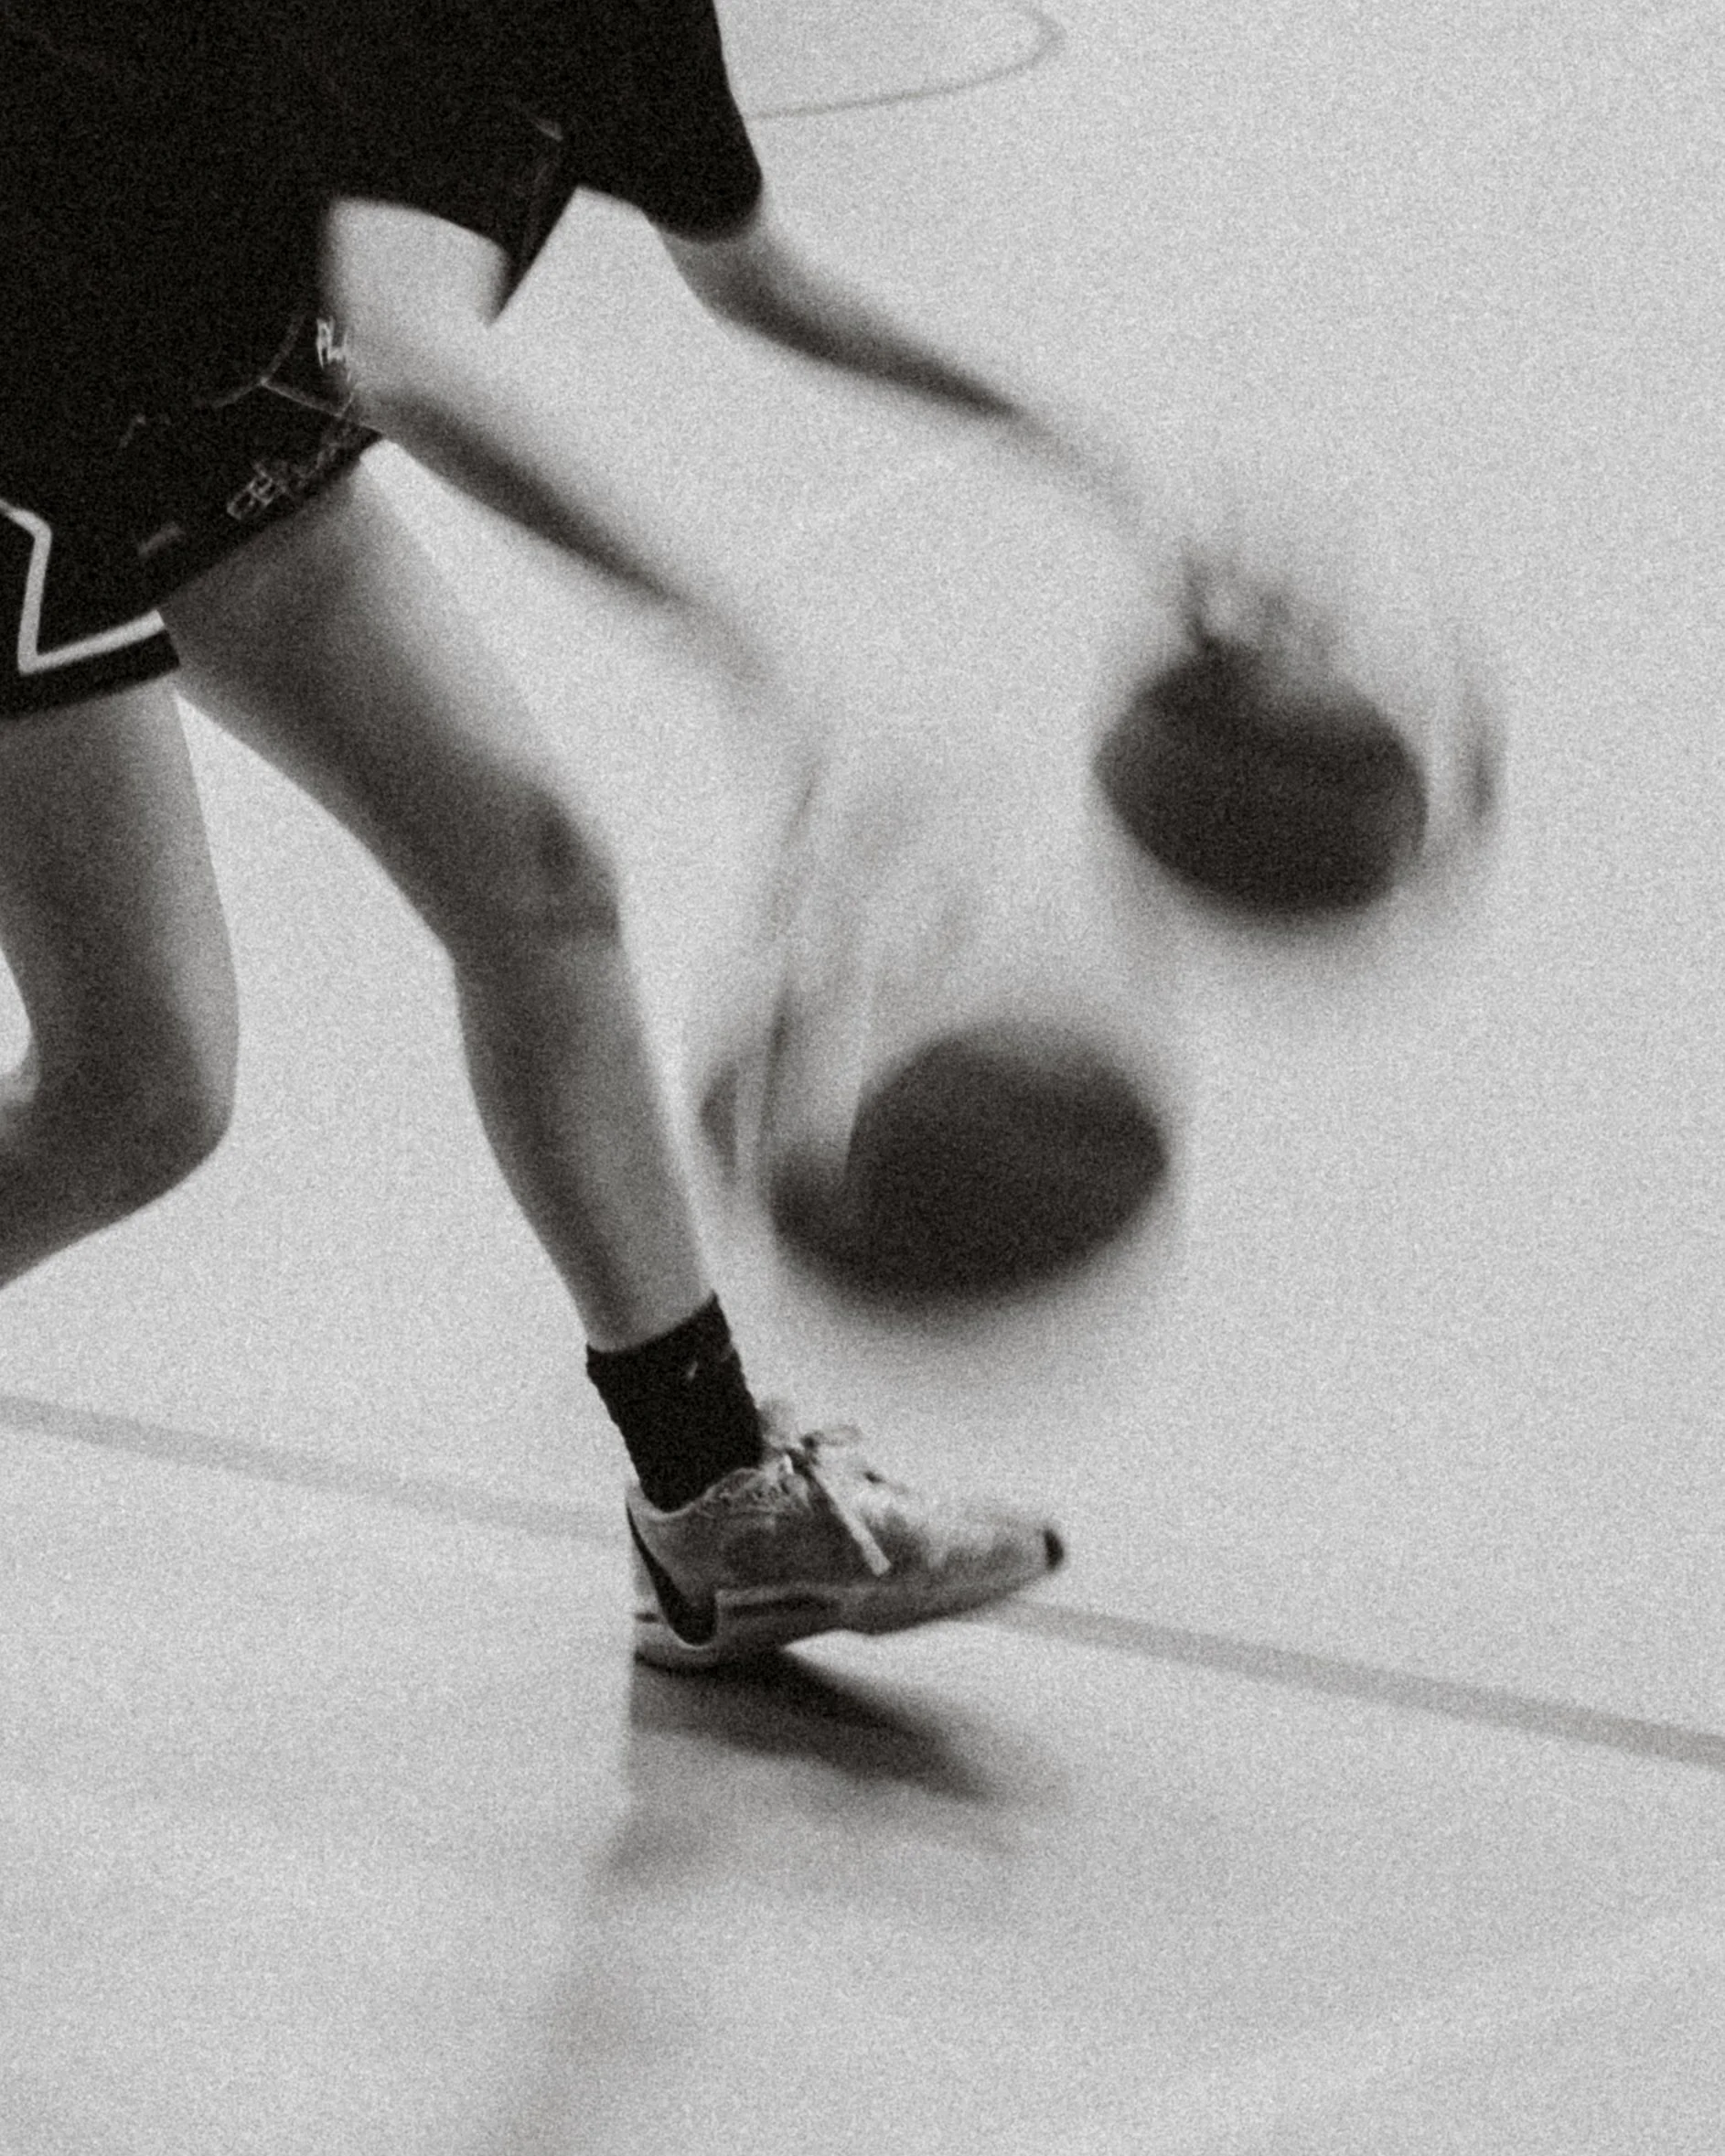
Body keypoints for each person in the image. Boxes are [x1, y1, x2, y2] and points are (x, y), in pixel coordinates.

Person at [0, 0, 1131, 1670]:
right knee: (140, 1086)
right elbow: (408, 347)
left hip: (189, 392)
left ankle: (718, 1506)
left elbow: (751, 269)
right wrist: (753, 659)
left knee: (531, 878)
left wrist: (1090, 459)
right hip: (31, 410)